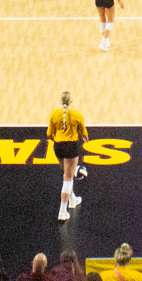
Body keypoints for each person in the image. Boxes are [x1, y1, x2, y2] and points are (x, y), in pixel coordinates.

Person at [51, 91, 88, 221]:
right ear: (71, 101)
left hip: (58, 146)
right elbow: (83, 132)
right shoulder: (77, 115)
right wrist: (84, 137)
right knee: (68, 178)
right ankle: (62, 211)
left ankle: (72, 200)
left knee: (66, 173)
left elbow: (49, 133)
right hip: (71, 147)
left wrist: (56, 141)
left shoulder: (54, 114)